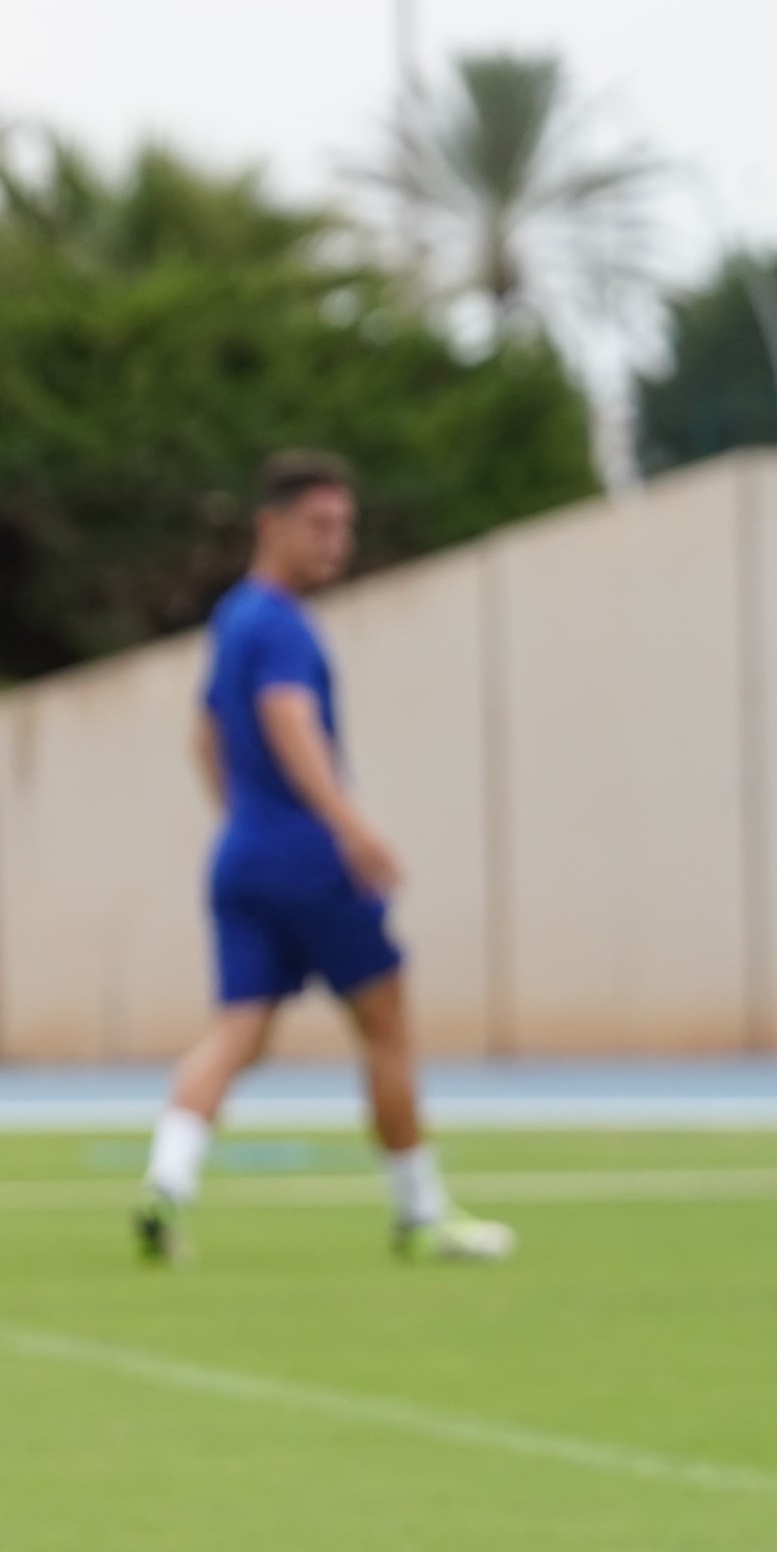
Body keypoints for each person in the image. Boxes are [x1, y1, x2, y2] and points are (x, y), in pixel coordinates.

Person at [133, 451, 510, 1265]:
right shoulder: (280, 625)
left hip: (242, 856)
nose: (335, 541)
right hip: (310, 857)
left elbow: (205, 734)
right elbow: (286, 719)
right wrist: (349, 825)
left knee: (238, 1029)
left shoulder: (233, 617)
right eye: (319, 525)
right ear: (270, 526)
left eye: (344, 526)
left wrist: (245, 819)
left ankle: (167, 1180)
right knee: (386, 1028)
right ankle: (420, 1212)